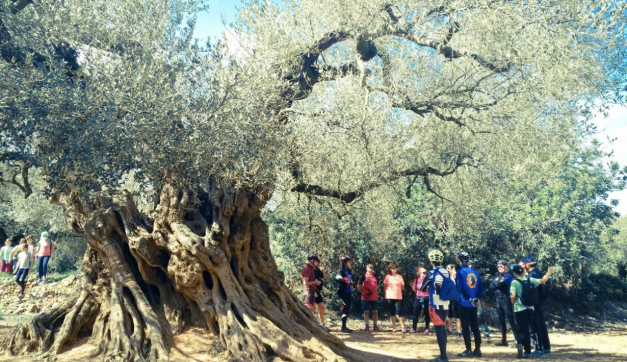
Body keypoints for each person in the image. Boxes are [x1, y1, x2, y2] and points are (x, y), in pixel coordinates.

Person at [510, 264, 553, 359]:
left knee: (522, 330)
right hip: (531, 308)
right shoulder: (530, 280)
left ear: (514, 273)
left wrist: (512, 303)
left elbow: (513, 296)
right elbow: (543, 281)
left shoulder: (514, 282)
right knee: (531, 329)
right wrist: (549, 272)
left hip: (519, 309)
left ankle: (527, 351)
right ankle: (535, 348)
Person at [420, 249, 452, 362]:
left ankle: (443, 357)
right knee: (442, 328)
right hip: (446, 303)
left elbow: (422, 288)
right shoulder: (447, 272)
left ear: (430, 260)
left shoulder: (431, 273)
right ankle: (443, 355)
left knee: (439, 330)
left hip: (435, 303)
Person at [455, 251, 484, 358]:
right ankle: (478, 349)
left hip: (464, 302)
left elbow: (461, 287)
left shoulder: (460, 271)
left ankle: (468, 349)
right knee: (475, 325)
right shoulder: (475, 271)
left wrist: (469, 298)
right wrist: (476, 299)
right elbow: (481, 288)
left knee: (466, 326)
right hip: (474, 303)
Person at [523, 256, 552, 356]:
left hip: (535, 303)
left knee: (536, 326)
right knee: (542, 325)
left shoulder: (533, 274)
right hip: (541, 302)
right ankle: (546, 347)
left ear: (527, 265)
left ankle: (539, 349)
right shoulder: (538, 272)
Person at [490, 260, 519, 347]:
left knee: (510, 320)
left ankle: (517, 339)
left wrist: (496, 283)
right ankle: (503, 340)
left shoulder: (509, 276)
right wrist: (496, 283)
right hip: (498, 300)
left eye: (501, 266)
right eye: (498, 266)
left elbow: (499, 284)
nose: (499, 268)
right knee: (501, 321)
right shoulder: (497, 276)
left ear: (506, 267)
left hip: (506, 300)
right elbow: (491, 286)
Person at [383, 263, 406, 332]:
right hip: (390, 296)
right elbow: (385, 286)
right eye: (393, 268)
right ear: (390, 269)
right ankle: (394, 326)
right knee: (392, 311)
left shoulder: (399, 277)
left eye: (395, 268)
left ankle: (402, 327)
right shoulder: (387, 277)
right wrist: (387, 293)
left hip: (398, 296)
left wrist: (397, 291)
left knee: (399, 311)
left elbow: (402, 287)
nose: (394, 269)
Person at [358, 263, 380, 331]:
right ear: (366, 268)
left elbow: (378, 285)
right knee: (366, 311)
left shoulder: (375, 276)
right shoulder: (363, 276)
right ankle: (367, 325)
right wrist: (363, 292)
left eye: (372, 267)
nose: (371, 268)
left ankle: (375, 325)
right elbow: (359, 285)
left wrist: (374, 291)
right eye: (370, 267)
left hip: (374, 296)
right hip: (365, 297)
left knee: (375, 311)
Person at [301, 254, 322, 321]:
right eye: (316, 261)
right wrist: (315, 282)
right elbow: (305, 283)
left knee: (312, 309)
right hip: (308, 291)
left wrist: (314, 289)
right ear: (312, 261)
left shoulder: (311, 269)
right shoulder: (307, 269)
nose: (318, 263)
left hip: (312, 291)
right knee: (309, 309)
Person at [336, 256, 354, 333]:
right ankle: (343, 327)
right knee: (345, 308)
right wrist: (346, 282)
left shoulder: (348, 271)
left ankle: (344, 326)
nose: (350, 263)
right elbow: (338, 279)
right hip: (343, 292)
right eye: (349, 262)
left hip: (348, 292)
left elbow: (351, 280)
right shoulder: (341, 271)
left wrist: (352, 286)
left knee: (347, 309)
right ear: (345, 263)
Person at [411, 266, 431, 334]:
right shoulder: (416, 280)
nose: (425, 273)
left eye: (426, 272)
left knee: (427, 313)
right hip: (418, 298)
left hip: (427, 298)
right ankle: (414, 328)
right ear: (419, 273)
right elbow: (414, 289)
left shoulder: (428, 280)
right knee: (415, 313)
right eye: (423, 272)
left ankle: (427, 328)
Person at [445, 264, 462, 337]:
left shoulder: (456, 276)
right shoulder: (446, 276)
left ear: (452, 269)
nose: (447, 269)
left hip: (456, 297)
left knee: (458, 314)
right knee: (449, 314)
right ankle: (450, 330)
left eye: (448, 268)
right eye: (446, 268)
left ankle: (459, 331)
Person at [314, 260, 327, 328]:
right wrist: (313, 291)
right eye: (317, 262)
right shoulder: (311, 270)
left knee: (321, 307)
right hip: (313, 291)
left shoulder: (318, 270)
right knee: (312, 308)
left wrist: (323, 271)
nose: (319, 264)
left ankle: (322, 324)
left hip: (318, 291)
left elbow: (324, 277)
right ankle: (312, 324)